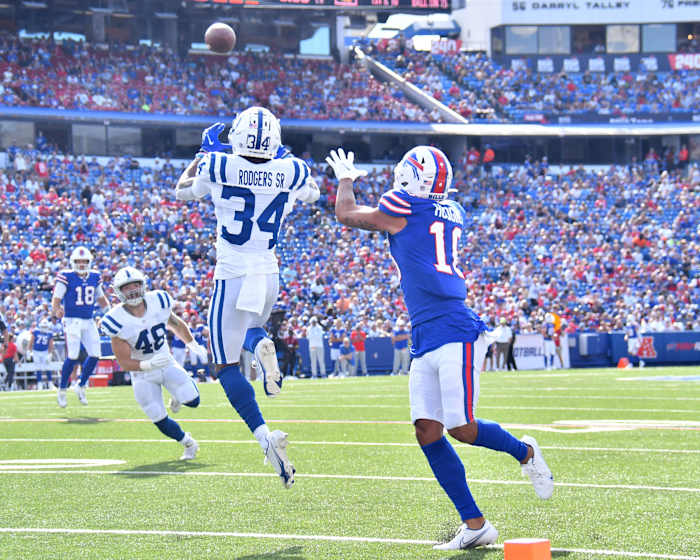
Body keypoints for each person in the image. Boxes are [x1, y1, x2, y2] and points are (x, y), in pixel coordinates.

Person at [328, 146, 553, 550]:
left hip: (453, 327)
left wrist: (346, 179)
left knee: (461, 428)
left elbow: (346, 215)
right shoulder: (451, 210)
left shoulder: (401, 204)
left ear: (411, 177)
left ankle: (525, 452)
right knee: (427, 431)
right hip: (425, 332)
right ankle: (476, 525)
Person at [174, 107, 320, 488]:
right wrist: (279, 164)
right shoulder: (292, 171)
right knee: (253, 327)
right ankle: (262, 350)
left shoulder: (217, 164)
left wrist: (201, 155)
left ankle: (263, 436)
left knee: (224, 366)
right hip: (268, 271)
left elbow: (182, 190)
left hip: (233, 272)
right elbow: (313, 193)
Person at [101, 267, 203, 460]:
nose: (132, 290)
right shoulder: (115, 320)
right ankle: (188, 443)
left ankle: (176, 396)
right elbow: (123, 362)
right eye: (126, 287)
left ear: (143, 284)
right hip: (142, 373)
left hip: (165, 362)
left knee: (193, 400)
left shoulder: (159, 300)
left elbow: (175, 323)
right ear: (118, 291)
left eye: (136, 285)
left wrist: (191, 343)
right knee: (158, 417)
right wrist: (147, 365)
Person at [52, 247, 111, 408]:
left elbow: (101, 298)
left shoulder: (94, 276)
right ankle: (62, 390)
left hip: (88, 320)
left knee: (95, 354)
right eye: (78, 261)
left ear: (89, 262)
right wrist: (56, 309)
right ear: (73, 262)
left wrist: (110, 313)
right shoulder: (67, 276)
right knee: (72, 356)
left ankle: (81, 385)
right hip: (71, 321)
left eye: (84, 261)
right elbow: (56, 297)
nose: (81, 264)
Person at [29, 319, 55, 390]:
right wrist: (29, 351)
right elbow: (31, 341)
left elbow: (51, 344)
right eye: (43, 327)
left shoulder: (49, 333)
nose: (44, 328)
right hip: (36, 351)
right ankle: (39, 383)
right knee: (38, 367)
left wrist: (50, 353)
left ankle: (50, 383)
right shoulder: (36, 331)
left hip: (45, 352)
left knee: (47, 367)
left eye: (45, 327)